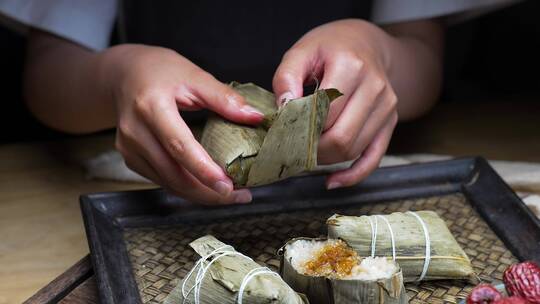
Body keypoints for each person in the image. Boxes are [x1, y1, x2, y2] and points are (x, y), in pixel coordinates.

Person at [0, 0, 518, 204]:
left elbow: (421, 57)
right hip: (150, 178)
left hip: (351, 189)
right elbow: (51, 78)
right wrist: (118, 77)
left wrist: (377, 50)